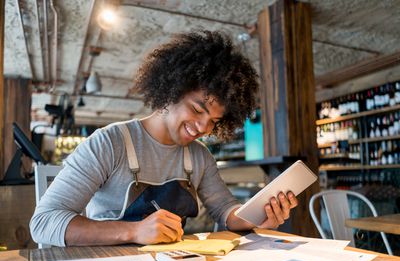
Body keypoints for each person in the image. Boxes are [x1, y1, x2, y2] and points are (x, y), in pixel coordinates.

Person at [30, 30, 298, 247]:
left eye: (214, 121)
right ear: (171, 92)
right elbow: (44, 222)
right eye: (197, 109)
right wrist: (134, 231)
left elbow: (225, 211)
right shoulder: (109, 143)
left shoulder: (199, 157)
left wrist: (258, 216)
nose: (204, 127)